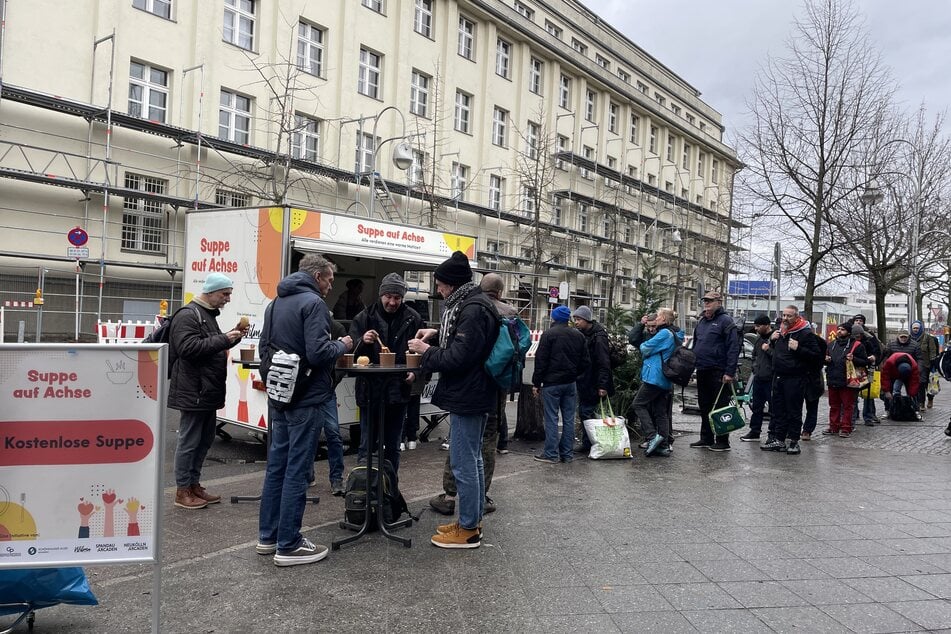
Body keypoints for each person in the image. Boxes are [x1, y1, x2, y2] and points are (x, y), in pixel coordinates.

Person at [257, 254, 352, 566]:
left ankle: (268, 537)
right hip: (307, 396)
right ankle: (290, 544)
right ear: (316, 276)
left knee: (277, 468)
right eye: (327, 280)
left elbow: (264, 349)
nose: (328, 287)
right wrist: (343, 345)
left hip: (280, 396)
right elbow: (318, 351)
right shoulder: (312, 304)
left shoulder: (275, 303)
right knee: (297, 470)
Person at [408, 251, 498, 549]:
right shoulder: (471, 303)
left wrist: (425, 350)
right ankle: (470, 521)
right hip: (474, 392)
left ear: (452, 283)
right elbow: (465, 342)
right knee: (471, 460)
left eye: (440, 284)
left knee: (463, 463)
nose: (438, 290)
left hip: (469, 394)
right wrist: (436, 335)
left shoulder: (472, 308)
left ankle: (469, 528)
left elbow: (459, 357)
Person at [430, 273, 514, 516]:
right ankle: (481, 498)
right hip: (495, 387)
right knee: (484, 444)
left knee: (463, 449)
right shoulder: (508, 311)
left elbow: (459, 353)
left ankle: (451, 497)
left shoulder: (471, 308)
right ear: (500, 291)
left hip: (470, 389)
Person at [168, 272, 248, 510]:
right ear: (211, 291)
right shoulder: (188, 315)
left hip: (205, 390)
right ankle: (182, 491)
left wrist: (231, 337)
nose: (227, 299)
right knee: (189, 441)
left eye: (229, 294)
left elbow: (208, 346)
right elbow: (188, 348)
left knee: (204, 440)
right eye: (225, 294)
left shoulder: (206, 315)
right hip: (194, 390)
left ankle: (194, 486)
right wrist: (224, 339)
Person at [349, 273, 422, 484]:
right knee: (366, 445)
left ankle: (389, 490)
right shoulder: (364, 318)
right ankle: (364, 490)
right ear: (381, 295)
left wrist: (415, 372)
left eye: (397, 297)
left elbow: (423, 354)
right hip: (369, 391)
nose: (392, 302)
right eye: (388, 296)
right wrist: (362, 341)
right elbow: (350, 354)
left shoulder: (413, 319)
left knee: (392, 446)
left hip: (398, 392)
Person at [531, 305, 589, 463]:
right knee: (569, 419)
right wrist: (574, 374)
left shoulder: (549, 334)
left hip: (552, 383)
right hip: (570, 383)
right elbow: (585, 362)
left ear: (554, 318)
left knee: (551, 418)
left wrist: (536, 383)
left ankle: (550, 453)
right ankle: (567, 454)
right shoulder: (578, 335)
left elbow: (541, 361)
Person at [762, 305, 821, 455]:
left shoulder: (805, 333)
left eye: (789, 316)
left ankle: (794, 441)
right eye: (784, 315)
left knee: (793, 411)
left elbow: (816, 356)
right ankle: (779, 440)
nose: (785, 318)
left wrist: (799, 348)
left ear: (797, 317)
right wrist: (772, 341)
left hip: (795, 378)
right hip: (779, 376)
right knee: (778, 410)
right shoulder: (781, 332)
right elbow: (777, 353)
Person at [690, 291, 740, 452]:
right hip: (703, 369)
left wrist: (729, 372)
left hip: (719, 371)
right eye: (705, 301)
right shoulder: (702, 321)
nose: (707, 303)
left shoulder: (726, 321)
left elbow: (733, 347)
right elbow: (696, 342)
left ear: (719, 302)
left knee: (720, 406)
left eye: (710, 301)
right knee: (704, 405)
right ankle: (706, 437)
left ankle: (723, 440)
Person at [632, 308, 682, 456]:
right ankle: (664, 445)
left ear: (664, 320)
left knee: (638, 404)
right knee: (660, 412)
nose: (657, 318)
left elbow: (645, 347)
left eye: (659, 316)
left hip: (655, 377)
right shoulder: (671, 333)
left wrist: (645, 347)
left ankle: (652, 437)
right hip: (664, 378)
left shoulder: (664, 333)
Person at [572, 304, 614, 454]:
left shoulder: (598, 336)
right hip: (585, 380)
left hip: (594, 382)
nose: (576, 322)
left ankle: (590, 443)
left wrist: (603, 385)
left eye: (578, 319)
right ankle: (588, 442)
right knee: (585, 412)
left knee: (587, 412)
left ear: (587, 320)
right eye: (575, 319)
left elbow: (604, 362)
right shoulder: (584, 333)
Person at [822, 323, 868, 437]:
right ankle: (833, 426)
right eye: (838, 329)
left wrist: (854, 359)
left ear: (848, 332)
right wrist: (825, 360)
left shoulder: (857, 345)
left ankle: (846, 428)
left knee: (848, 406)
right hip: (833, 378)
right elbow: (825, 360)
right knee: (834, 405)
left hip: (848, 381)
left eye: (842, 330)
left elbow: (865, 362)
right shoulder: (831, 344)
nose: (839, 331)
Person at [740, 314, 774, 442]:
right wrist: (755, 369)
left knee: (773, 409)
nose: (756, 328)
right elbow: (754, 356)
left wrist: (768, 350)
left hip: (770, 379)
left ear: (766, 325)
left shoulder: (774, 339)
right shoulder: (759, 340)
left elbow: (778, 357)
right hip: (759, 377)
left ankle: (773, 434)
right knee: (757, 407)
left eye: (758, 326)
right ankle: (755, 431)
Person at [850, 315, 882, 426]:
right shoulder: (848, 337)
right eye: (856, 320)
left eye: (861, 320)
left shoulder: (869, 338)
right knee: (852, 393)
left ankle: (868, 416)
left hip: (868, 369)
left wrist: (873, 358)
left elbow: (877, 351)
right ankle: (853, 417)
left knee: (868, 393)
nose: (858, 322)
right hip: (853, 369)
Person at [801, 329, 828, 440]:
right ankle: (803, 429)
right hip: (804, 377)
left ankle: (807, 430)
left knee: (811, 406)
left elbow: (818, 358)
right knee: (797, 406)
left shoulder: (817, 342)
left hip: (812, 378)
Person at [880, 350, 921, 418]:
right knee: (888, 392)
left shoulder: (914, 366)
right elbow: (885, 377)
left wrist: (911, 394)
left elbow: (914, 382)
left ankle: (915, 410)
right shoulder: (889, 362)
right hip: (893, 374)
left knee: (914, 393)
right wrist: (886, 391)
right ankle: (888, 410)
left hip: (908, 375)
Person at [911, 320, 940, 409]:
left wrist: (933, 364)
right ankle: (919, 402)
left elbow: (932, 351)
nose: (915, 330)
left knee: (928, 383)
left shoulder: (927, 338)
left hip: (926, 365)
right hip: (913, 365)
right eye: (914, 328)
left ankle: (928, 399)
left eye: (917, 328)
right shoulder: (909, 338)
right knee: (919, 383)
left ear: (921, 328)